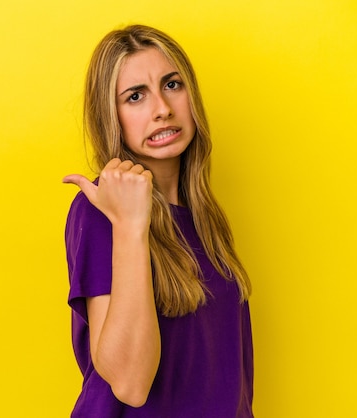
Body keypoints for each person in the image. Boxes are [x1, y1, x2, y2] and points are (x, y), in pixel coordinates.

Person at [63, 25, 254, 417]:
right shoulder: (102, 210)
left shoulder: (205, 215)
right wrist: (131, 225)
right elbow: (130, 384)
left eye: (172, 85)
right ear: (111, 116)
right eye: (136, 96)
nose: (162, 108)